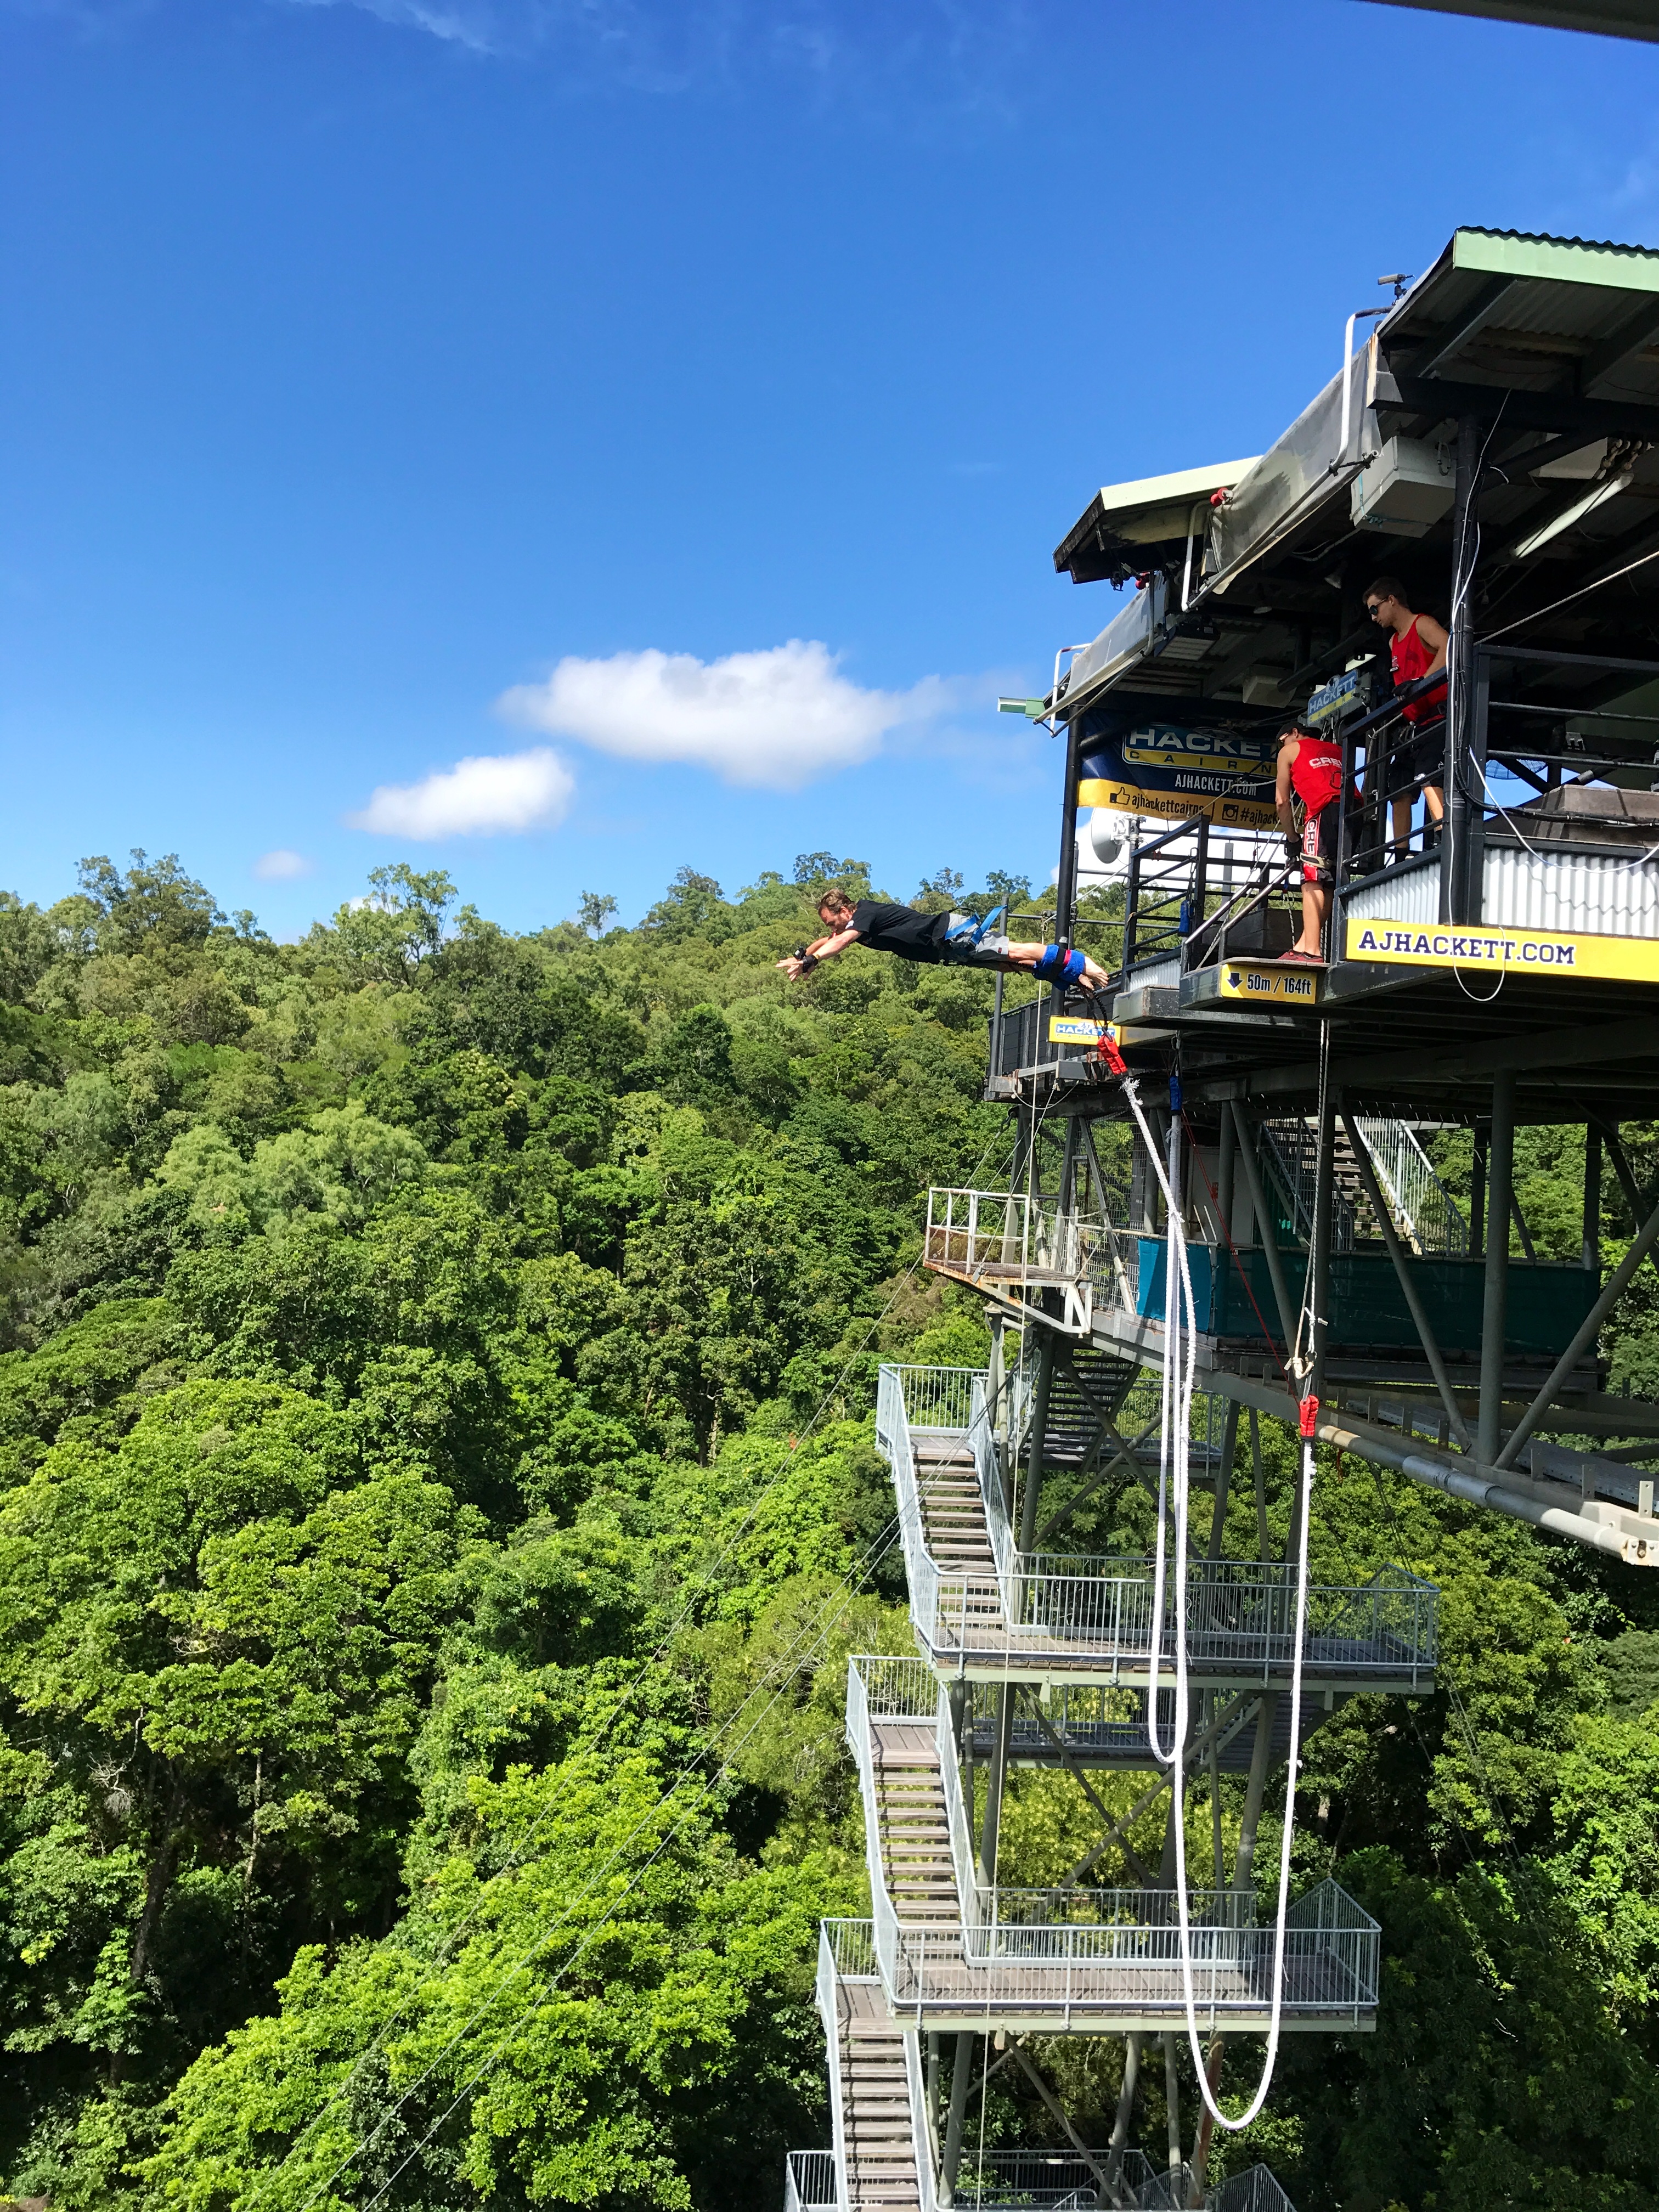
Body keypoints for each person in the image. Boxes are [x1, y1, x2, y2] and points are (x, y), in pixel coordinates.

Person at [776, 887, 1115, 992]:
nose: (832, 929)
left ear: (845, 911)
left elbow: (838, 943)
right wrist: (804, 955)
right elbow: (826, 940)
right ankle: (1075, 977)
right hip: (946, 952)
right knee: (1015, 966)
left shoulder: (864, 915)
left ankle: (1082, 962)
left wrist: (813, 961)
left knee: (1016, 950)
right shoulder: (851, 925)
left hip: (950, 933)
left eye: (832, 920)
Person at [1364, 575, 1447, 858]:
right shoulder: (1392, 643)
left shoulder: (1421, 624)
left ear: (1391, 600)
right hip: (1414, 724)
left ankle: (1442, 833)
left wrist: (1423, 680)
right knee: (1398, 786)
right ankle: (1400, 852)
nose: (1373, 617)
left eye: (1375, 609)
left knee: (1428, 777)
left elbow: (1448, 647)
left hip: (1438, 718)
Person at [1274, 716, 1344, 963]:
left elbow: (1282, 802)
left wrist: (1293, 838)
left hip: (1323, 809)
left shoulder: (1289, 752)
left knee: (1312, 879)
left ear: (1295, 732)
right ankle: (1303, 944)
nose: (1281, 747)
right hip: (1352, 811)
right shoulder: (1337, 749)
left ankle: (1311, 951)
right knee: (1329, 881)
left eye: (1282, 740)